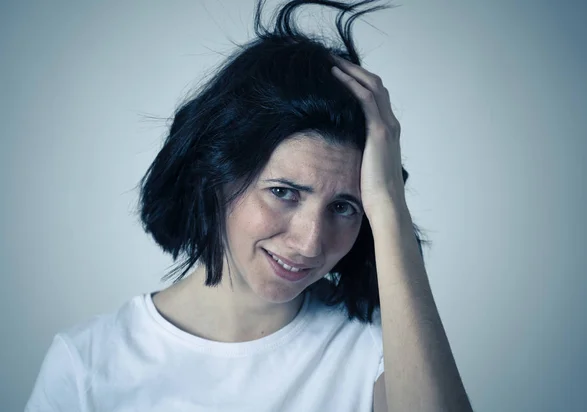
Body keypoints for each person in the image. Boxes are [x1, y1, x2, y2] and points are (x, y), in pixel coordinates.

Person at [25, 0, 472, 411]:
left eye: (344, 207)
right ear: (215, 176)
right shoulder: (87, 365)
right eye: (284, 192)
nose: (310, 242)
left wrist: (389, 203)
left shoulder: (381, 347)